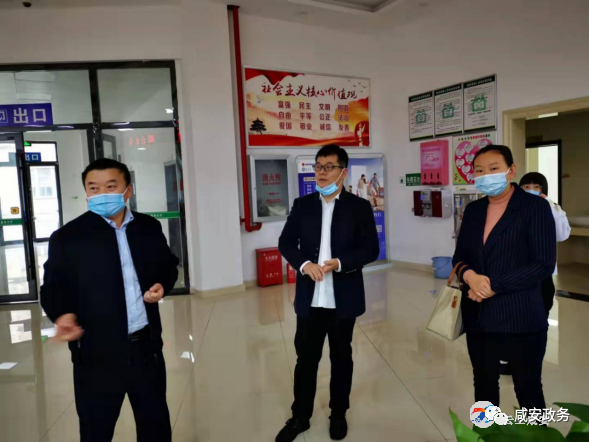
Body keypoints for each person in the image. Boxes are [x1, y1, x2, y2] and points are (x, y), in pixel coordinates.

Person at [41, 158, 179, 442]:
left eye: (110, 186)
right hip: (95, 353)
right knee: (96, 430)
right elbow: (53, 288)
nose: (102, 194)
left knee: (155, 425)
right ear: (86, 193)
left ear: (127, 190)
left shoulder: (148, 227)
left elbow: (168, 266)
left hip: (145, 348)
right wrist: (62, 315)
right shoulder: (68, 237)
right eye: (94, 188)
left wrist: (161, 285)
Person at [277, 145, 380, 442]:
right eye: (318, 166)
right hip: (310, 299)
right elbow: (286, 243)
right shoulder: (303, 205)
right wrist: (304, 264)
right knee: (306, 360)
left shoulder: (358, 207)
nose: (321, 173)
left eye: (328, 167)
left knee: (341, 358)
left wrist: (341, 263)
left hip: (343, 298)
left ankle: (338, 414)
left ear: (343, 172)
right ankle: (300, 417)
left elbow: (370, 249)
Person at [452, 145, 556, 416]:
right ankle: (485, 432)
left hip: (521, 315)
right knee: (483, 384)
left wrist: (491, 286)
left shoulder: (535, 207)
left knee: (528, 388)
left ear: (511, 171)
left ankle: (537, 434)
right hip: (478, 315)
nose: (486, 175)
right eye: (479, 170)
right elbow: (460, 257)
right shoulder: (474, 210)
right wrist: (470, 276)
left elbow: (543, 263)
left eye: (493, 168)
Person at [498, 172, 571, 375]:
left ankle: (529, 363)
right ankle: (513, 361)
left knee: (537, 321)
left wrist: (551, 206)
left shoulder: (551, 208)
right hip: (516, 274)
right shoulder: (512, 208)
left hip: (542, 277)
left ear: (543, 190)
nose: (531, 189)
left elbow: (562, 235)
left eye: (536, 186)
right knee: (514, 319)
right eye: (526, 186)